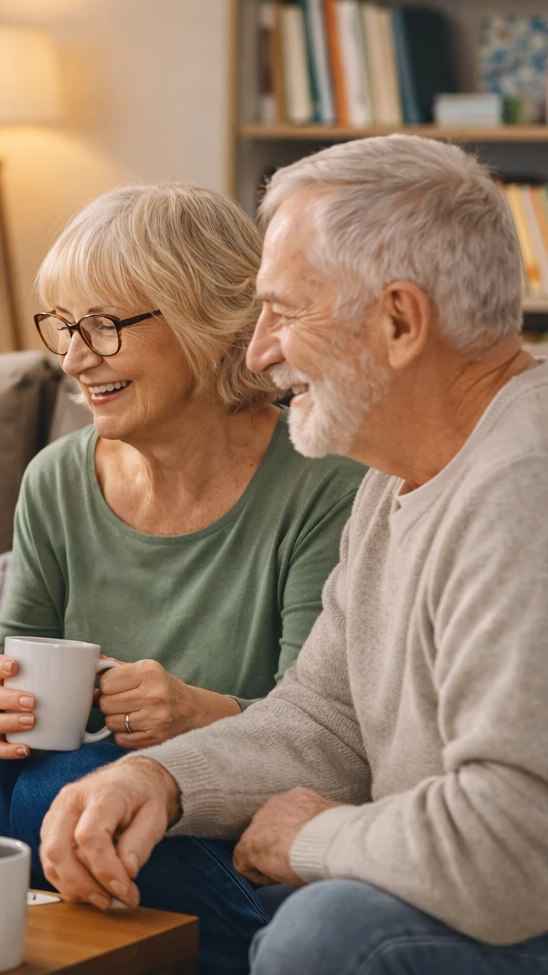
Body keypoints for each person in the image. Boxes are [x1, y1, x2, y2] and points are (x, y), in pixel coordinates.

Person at [38, 136, 548, 974]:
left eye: (285, 310)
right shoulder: (396, 479)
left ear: (398, 321)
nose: (257, 350)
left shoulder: (521, 487)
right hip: (437, 886)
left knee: (326, 931)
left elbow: (509, 848)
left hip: (512, 909)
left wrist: (314, 837)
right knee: (131, 847)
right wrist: (158, 782)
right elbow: (323, 719)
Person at [0, 184, 366, 974]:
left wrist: (195, 712)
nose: (74, 358)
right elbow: (16, 691)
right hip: (72, 790)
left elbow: (328, 733)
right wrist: (0, 708)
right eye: (65, 327)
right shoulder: (55, 480)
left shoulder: (323, 481)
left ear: (206, 321)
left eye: (105, 326)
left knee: (75, 792)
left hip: (223, 820)